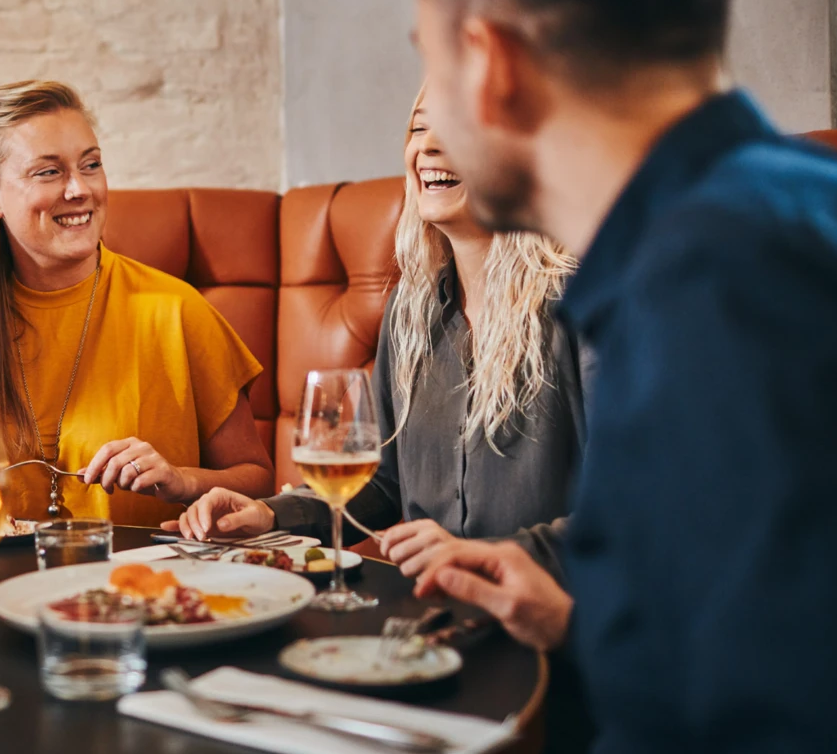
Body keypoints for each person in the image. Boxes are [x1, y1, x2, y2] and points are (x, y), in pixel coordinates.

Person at [400, 0, 837, 754]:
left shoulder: (712, 287)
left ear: (490, 64)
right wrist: (579, 623)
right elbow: (752, 649)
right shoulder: (787, 210)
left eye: (431, 62)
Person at [169, 90, 586, 582]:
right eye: (418, 129)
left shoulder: (582, 308)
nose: (428, 146)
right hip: (431, 615)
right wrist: (271, 515)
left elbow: (634, 508)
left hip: (553, 626)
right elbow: (385, 484)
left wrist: (490, 558)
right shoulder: (409, 309)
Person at [0, 80, 273, 526]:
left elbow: (260, 482)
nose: (79, 189)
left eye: (91, 165)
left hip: (136, 587)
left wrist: (182, 480)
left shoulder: (177, 311)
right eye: (49, 171)